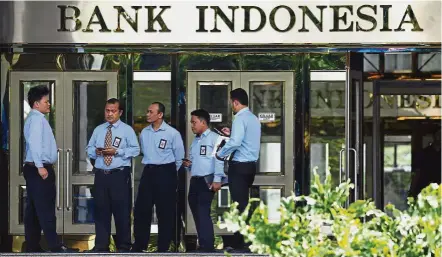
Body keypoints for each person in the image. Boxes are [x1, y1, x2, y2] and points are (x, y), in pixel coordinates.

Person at [23, 85, 77, 253]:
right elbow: (34, 144)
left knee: (33, 210)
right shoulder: (37, 119)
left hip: (34, 168)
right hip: (39, 169)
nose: (49, 105)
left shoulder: (34, 118)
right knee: (46, 209)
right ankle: (54, 246)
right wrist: (40, 167)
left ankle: (32, 246)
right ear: (36, 104)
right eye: (46, 101)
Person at [85, 98, 140, 252]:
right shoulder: (99, 130)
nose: (109, 114)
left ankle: (124, 246)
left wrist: (117, 152)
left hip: (119, 175)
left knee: (121, 211)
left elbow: (135, 150)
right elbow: (88, 148)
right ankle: (101, 245)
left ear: (120, 112)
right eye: (107, 110)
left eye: (113, 111)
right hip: (102, 175)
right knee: (101, 211)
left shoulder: (127, 130)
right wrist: (95, 152)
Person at [132, 102, 185, 252]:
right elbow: (143, 151)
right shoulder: (144, 133)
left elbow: (179, 158)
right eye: (147, 111)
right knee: (142, 210)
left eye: (151, 112)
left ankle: (163, 247)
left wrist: (168, 174)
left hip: (166, 172)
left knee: (165, 211)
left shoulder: (172, 133)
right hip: (148, 171)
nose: (147, 114)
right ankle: (140, 245)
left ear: (160, 114)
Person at [216, 88, 261, 253]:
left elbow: (235, 143)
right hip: (250, 167)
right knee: (243, 203)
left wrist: (220, 154)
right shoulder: (254, 118)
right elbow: (244, 139)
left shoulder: (240, 118)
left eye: (231, 103)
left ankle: (241, 242)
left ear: (235, 102)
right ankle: (243, 240)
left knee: (239, 204)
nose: (231, 107)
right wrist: (232, 134)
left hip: (239, 166)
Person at [183, 109, 226, 252]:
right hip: (194, 180)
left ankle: (207, 246)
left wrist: (217, 179)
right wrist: (189, 165)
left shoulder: (215, 138)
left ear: (203, 122)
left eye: (194, 122)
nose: (192, 125)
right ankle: (203, 243)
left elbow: (219, 160)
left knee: (203, 211)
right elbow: (197, 161)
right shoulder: (195, 141)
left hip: (207, 180)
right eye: (191, 122)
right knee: (196, 212)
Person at [409, 126, 441, 198]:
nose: (440, 137)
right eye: (438, 135)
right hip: (425, 187)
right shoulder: (424, 153)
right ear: (434, 136)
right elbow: (417, 172)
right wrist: (412, 190)